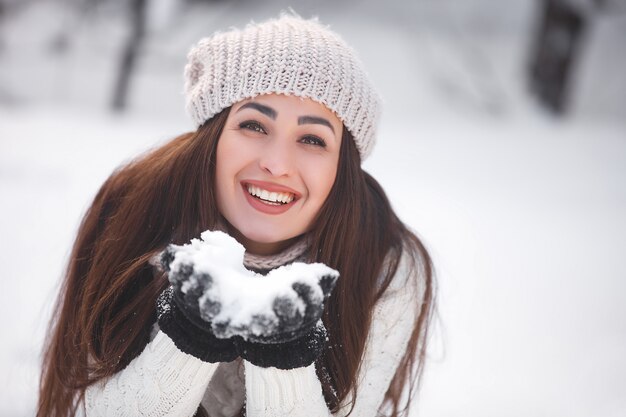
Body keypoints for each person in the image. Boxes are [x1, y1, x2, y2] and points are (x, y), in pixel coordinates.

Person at [37, 14, 436, 417]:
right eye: (254, 125)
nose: (277, 165)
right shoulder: (134, 209)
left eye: (313, 139)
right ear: (213, 137)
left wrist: (283, 357)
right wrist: (189, 337)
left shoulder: (385, 263)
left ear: (342, 168)